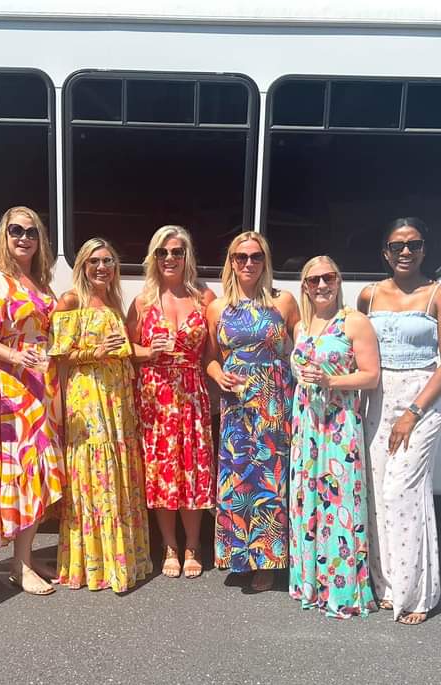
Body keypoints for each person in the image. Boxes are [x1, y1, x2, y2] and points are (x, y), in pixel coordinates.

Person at [358, 217, 441, 625]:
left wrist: (413, 412)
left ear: (424, 249)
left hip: (419, 401)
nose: (406, 252)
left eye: (414, 244)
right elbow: (357, 348)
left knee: (403, 493)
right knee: (376, 492)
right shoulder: (368, 296)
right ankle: (387, 587)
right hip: (375, 401)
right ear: (385, 251)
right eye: (397, 246)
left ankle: (418, 594)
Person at [50, 237, 151, 593]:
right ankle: (95, 563)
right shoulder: (71, 300)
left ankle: (122, 559)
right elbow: (59, 353)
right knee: (94, 472)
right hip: (89, 394)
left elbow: (123, 348)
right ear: (82, 265)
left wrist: (153, 351)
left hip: (117, 395)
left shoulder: (113, 300)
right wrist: (95, 350)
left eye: (108, 261)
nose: (102, 268)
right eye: (94, 261)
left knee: (117, 469)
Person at [0, 206, 63, 596]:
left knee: (42, 470)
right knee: (23, 469)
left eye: (31, 231)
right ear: (3, 236)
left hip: (44, 384)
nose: (23, 237)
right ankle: (20, 565)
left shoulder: (40, 281)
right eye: (15, 231)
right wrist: (15, 356)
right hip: (13, 385)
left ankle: (24, 555)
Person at [206, 231, 299, 591]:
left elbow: (303, 344)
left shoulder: (284, 301)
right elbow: (209, 359)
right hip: (236, 405)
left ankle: (269, 561)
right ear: (230, 261)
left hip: (273, 400)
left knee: (270, 480)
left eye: (255, 257)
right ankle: (239, 555)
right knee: (238, 479)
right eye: (240, 257)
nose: (248, 263)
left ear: (265, 262)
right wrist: (219, 375)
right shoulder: (218, 306)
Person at [288, 256, 381, 618]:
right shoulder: (303, 326)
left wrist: (331, 381)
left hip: (339, 424)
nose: (321, 285)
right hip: (307, 424)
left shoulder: (354, 322)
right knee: (307, 499)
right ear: (305, 286)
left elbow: (371, 375)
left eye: (328, 278)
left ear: (339, 280)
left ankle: (342, 589)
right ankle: (310, 583)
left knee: (340, 503)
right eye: (313, 280)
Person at [126, 226, 216, 579]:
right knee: (162, 474)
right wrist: (149, 351)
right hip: (156, 395)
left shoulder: (204, 298)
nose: (169, 259)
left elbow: (211, 353)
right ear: (154, 257)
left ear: (187, 257)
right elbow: (126, 348)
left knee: (192, 472)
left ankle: (193, 544)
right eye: (162, 252)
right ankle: (169, 546)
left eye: (177, 252)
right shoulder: (143, 301)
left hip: (192, 391)